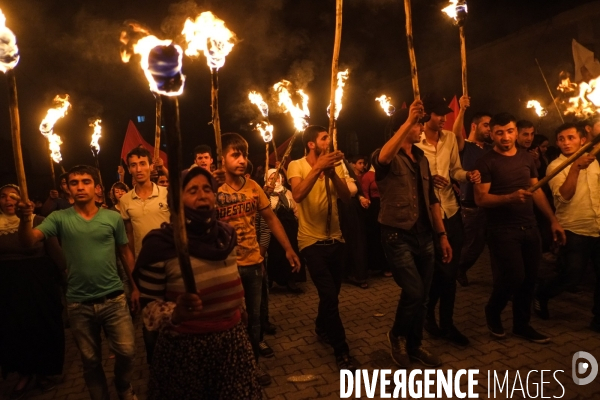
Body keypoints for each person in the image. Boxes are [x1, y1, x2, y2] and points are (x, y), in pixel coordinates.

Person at [134, 166, 261, 399]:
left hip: (232, 347)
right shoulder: (161, 245)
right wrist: (176, 312)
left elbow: (233, 281)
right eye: (192, 190)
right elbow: (149, 310)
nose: (203, 195)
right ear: (175, 200)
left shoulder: (225, 237)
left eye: (207, 189)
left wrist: (240, 310)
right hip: (186, 352)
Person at [17, 165, 140, 400]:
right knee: (91, 362)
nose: (80, 186)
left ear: (96, 187)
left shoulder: (111, 217)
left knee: (127, 352)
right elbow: (29, 241)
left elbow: (125, 253)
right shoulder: (59, 218)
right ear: (68, 189)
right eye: (74, 183)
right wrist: (25, 220)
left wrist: (135, 287)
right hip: (78, 304)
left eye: (85, 181)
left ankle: (123, 385)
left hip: (113, 299)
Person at [216, 132, 301, 386]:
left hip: (252, 265)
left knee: (254, 322)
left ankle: (251, 367)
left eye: (244, 154)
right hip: (225, 268)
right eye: (235, 154)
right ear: (222, 158)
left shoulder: (253, 188)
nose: (242, 160)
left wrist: (288, 249)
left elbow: (271, 219)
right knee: (228, 323)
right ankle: (229, 369)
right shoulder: (213, 190)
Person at [474, 113, 566, 344]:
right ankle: (493, 311)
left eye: (510, 131)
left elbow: (536, 191)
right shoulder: (485, 162)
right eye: (499, 132)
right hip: (502, 230)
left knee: (530, 279)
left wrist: (553, 220)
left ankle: (521, 325)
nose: (506, 137)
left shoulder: (526, 158)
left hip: (530, 227)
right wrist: (510, 197)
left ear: (516, 132)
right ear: (492, 134)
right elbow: (481, 199)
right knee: (514, 276)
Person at [373, 101, 451, 369]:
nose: (421, 128)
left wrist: (442, 234)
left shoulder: (421, 158)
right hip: (398, 235)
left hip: (425, 235)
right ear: (402, 127)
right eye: (418, 124)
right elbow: (382, 159)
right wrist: (408, 120)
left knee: (424, 294)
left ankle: (415, 345)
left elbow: (432, 200)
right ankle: (397, 336)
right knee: (414, 291)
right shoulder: (384, 155)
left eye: (418, 123)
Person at [287, 125, 357, 371]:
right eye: (325, 137)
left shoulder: (336, 165)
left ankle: (320, 326)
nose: (330, 140)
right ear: (311, 144)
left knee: (332, 294)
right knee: (328, 295)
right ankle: (341, 350)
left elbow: (347, 198)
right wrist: (317, 169)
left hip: (335, 239)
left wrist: (333, 174)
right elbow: (297, 194)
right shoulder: (297, 165)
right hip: (310, 241)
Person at [415, 93, 480, 346]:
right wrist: (429, 181)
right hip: (427, 216)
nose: (443, 118)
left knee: (450, 271)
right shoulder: (415, 141)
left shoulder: (451, 138)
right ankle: (428, 313)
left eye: (445, 114)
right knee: (436, 272)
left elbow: (455, 170)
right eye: (438, 114)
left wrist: (468, 175)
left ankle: (448, 323)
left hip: (451, 211)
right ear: (425, 115)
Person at [0, 184, 65, 399]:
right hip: (9, 286)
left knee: (41, 325)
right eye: (3, 197)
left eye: (13, 196)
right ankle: (24, 372)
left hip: (39, 283)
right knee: (17, 330)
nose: (8, 200)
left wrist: (67, 278)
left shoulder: (38, 222)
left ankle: (44, 371)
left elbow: (56, 254)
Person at [534, 123, 600, 332]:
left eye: (571, 137)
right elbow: (564, 195)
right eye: (561, 139)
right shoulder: (556, 166)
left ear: (582, 140)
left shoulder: (595, 161)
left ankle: (598, 318)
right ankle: (542, 293)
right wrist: (575, 168)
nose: (566, 142)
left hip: (597, 226)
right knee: (572, 276)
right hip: (573, 229)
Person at [452, 96, 493, 286]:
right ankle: (458, 268)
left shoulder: (491, 149)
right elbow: (456, 134)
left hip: (491, 203)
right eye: (486, 125)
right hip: (471, 206)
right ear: (475, 126)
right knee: (472, 246)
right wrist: (462, 110)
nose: (489, 129)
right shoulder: (465, 147)